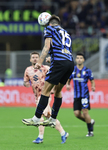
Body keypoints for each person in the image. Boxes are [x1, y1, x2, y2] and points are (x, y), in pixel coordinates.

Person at [22, 15, 74, 143]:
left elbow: (46, 47)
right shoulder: (65, 32)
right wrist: (52, 57)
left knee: (46, 90)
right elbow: (62, 48)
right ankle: (52, 119)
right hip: (69, 63)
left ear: (48, 23)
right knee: (58, 91)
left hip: (60, 63)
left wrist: (40, 61)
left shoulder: (49, 29)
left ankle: (36, 118)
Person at [24, 51, 69, 144]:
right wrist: (26, 83)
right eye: (33, 57)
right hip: (37, 96)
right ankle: (63, 133)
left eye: (37, 57)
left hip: (45, 95)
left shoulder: (46, 68)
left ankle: (40, 137)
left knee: (40, 115)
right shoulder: (28, 70)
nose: (35, 59)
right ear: (30, 59)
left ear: (40, 58)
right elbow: (26, 81)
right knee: (48, 116)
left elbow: (56, 76)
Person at [66, 52, 95, 137]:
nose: (79, 59)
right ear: (76, 59)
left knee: (85, 112)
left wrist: (93, 87)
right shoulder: (73, 70)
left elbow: (92, 80)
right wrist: (68, 84)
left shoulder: (87, 70)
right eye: (77, 58)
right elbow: (68, 79)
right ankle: (91, 121)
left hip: (84, 94)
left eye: (81, 58)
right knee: (77, 114)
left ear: (83, 60)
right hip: (76, 95)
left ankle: (90, 131)